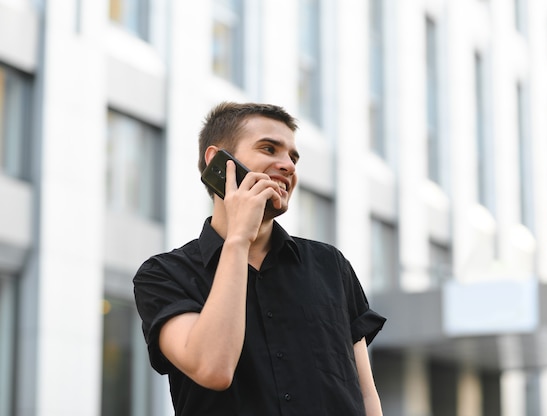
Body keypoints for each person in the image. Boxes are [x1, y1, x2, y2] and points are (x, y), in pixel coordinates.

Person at [133, 101, 387, 415]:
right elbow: (213, 368)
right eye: (269, 149)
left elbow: (366, 396)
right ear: (218, 162)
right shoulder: (164, 275)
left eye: (293, 157)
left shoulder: (331, 265)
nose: (289, 166)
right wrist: (239, 239)